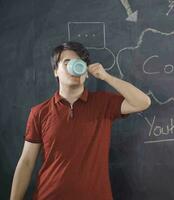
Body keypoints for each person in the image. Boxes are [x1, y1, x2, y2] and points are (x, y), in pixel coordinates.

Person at [10, 41, 151, 200]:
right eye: (66, 62)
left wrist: (106, 77)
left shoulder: (103, 103)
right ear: (55, 71)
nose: (73, 67)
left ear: (85, 71)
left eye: (79, 63)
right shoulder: (39, 112)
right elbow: (27, 162)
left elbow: (143, 102)